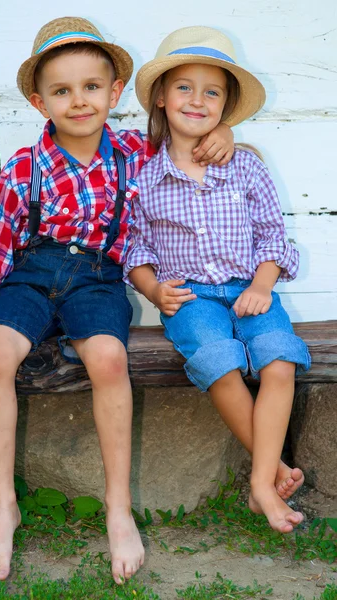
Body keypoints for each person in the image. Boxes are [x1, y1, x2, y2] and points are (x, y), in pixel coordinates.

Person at [0, 18, 234, 584]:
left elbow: (191, 140)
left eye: (92, 87)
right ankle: (3, 506)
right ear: (38, 101)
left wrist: (226, 138)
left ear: (115, 91)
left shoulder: (135, 153)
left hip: (99, 278)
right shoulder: (23, 169)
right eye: (62, 90)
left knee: (108, 358)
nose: (79, 101)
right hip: (32, 274)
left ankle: (118, 509)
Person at [125, 25, 311, 534]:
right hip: (190, 299)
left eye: (213, 92)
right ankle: (269, 475)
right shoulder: (144, 177)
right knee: (220, 362)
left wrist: (263, 285)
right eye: (184, 86)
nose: (197, 100)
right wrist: (152, 290)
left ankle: (258, 483)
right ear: (161, 98)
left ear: (226, 107)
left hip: (251, 288)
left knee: (279, 358)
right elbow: (135, 247)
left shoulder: (247, 166)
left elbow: (274, 236)